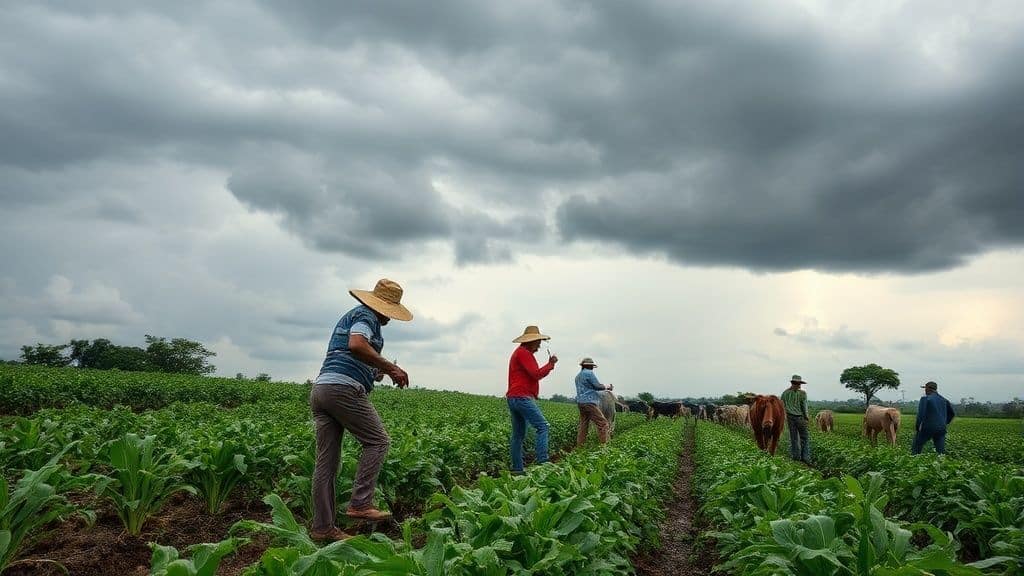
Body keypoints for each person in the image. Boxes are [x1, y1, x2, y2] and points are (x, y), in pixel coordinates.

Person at [309, 278, 412, 542]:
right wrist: (391, 367)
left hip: (322, 389)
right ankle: (361, 503)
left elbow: (354, 354)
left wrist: (379, 372)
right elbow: (356, 344)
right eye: (389, 313)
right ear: (380, 308)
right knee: (378, 441)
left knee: (326, 463)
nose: (389, 319)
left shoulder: (354, 317)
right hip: (343, 389)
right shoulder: (366, 316)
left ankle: (323, 527)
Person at [506, 325, 558, 474]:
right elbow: (536, 374)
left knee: (518, 435)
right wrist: (551, 364)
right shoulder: (524, 353)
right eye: (538, 341)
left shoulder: (519, 353)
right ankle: (543, 462)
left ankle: (517, 469)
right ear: (531, 341)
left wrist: (549, 366)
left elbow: (531, 374)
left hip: (513, 397)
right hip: (522, 397)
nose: (540, 345)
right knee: (543, 426)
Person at [575, 357, 613, 447]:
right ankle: (604, 446)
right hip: (590, 402)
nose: (592, 368)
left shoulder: (578, 376)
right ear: (589, 366)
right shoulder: (589, 373)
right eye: (592, 366)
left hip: (580, 403)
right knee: (603, 423)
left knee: (583, 425)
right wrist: (608, 387)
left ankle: (580, 447)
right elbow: (597, 386)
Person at [912, 381, 955, 455]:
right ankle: (941, 463)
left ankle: (914, 459)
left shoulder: (925, 399)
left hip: (927, 427)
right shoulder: (944, 400)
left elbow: (920, 415)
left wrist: (918, 427)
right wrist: (944, 423)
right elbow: (952, 414)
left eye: (925, 388)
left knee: (916, 447)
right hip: (941, 428)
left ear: (929, 389)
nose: (925, 390)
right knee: (940, 451)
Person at [780, 374, 811, 463]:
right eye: (798, 384)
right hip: (800, 418)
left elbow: (782, 406)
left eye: (799, 384)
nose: (799, 386)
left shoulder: (785, 393)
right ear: (794, 383)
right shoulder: (803, 393)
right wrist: (806, 417)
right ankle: (805, 457)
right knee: (804, 437)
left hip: (790, 418)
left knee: (794, 438)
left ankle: (796, 457)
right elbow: (804, 407)